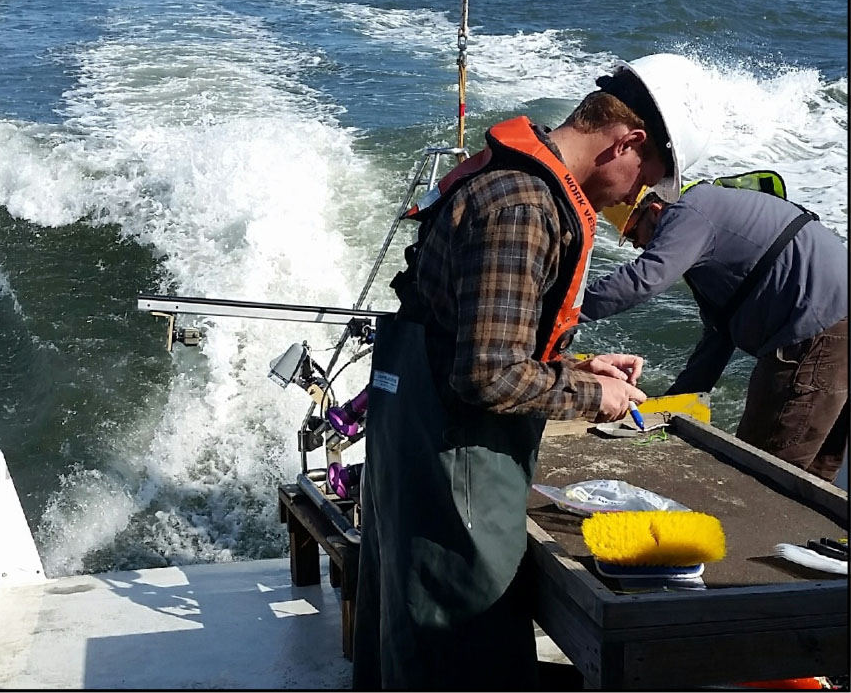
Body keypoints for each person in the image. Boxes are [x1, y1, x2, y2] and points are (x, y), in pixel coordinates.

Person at [351, 53, 710, 691]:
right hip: (453, 461)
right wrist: (592, 393)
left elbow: (475, 336)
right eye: (643, 179)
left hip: (423, 440)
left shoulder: (515, 184)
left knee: (412, 635)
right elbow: (487, 376)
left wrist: (573, 362)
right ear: (624, 143)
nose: (635, 199)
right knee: (457, 647)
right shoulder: (524, 207)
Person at [580, 181, 848, 483]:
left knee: (759, 474)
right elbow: (720, 334)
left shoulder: (688, 214)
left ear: (655, 212)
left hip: (816, 327)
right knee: (815, 479)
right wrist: (670, 405)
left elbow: (643, 279)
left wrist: (565, 313)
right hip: (833, 322)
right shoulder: (710, 222)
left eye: (632, 235)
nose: (637, 246)